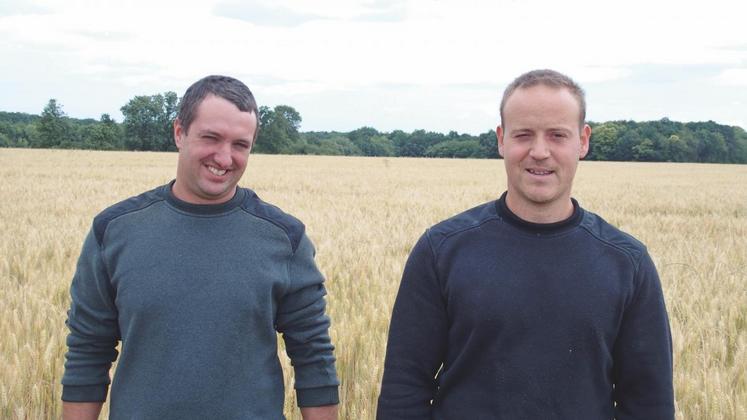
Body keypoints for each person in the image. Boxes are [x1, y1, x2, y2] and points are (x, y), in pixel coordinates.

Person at [377, 69, 674, 419]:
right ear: (501, 139)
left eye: (557, 135)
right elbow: (404, 388)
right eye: (523, 135)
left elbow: (648, 402)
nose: (539, 151)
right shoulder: (442, 250)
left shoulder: (627, 263)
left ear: (583, 141)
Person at [61, 75, 339, 420]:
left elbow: (314, 359)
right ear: (179, 132)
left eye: (241, 144)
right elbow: (88, 352)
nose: (225, 157)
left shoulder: (285, 238)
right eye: (211, 138)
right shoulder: (115, 231)